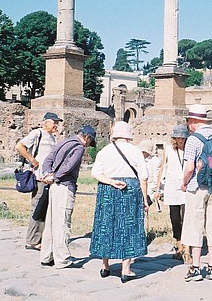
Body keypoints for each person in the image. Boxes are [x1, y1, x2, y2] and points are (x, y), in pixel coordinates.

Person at [90, 121, 149, 283]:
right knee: (129, 226)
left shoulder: (104, 151)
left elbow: (96, 173)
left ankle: (105, 266)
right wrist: (145, 199)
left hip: (108, 189)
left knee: (106, 224)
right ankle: (126, 269)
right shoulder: (136, 151)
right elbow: (143, 177)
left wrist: (110, 181)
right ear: (129, 134)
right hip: (130, 188)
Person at [181, 104, 212, 282]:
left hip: (197, 187)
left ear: (194, 121)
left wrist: (184, 183)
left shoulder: (193, 139)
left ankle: (195, 267)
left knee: (195, 226)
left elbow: (189, 168)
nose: (188, 125)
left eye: (189, 121)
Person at [39, 126, 96, 269]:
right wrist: (55, 177)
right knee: (62, 223)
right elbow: (69, 166)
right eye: (90, 142)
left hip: (54, 187)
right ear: (87, 138)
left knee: (51, 222)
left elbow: (47, 160)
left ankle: (46, 256)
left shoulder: (63, 142)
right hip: (64, 186)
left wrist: (47, 174)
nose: (88, 146)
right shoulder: (79, 148)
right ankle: (62, 259)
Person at [15, 112, 62, 251]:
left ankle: (40, 238)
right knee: (37, 208)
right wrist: (32, 160)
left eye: (57, 122)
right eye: (54, 122)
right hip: (38, 177)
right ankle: (32, 241)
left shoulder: (52, 138)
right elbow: (20, 146)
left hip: (48, 178)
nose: (56, 125)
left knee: (44, 208)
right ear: (45, 122)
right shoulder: (37, 133)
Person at [154, 124, 191, 263]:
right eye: (178, 137)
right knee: (175, 218)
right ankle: (179, 245)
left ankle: (187, 250)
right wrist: (158, 188)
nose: (181, 139)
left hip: (186, 185)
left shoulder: (189, 149)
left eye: (183, 137)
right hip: (171, 186)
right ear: (174, 138)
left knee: (187, 218)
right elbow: (163, 167)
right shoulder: (169, 149)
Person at [138, 139, 161, 204]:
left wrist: (149, 192)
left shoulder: (155, 161)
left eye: (144, 152)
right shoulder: (138, 160)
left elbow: (156, 179)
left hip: (149, 191)